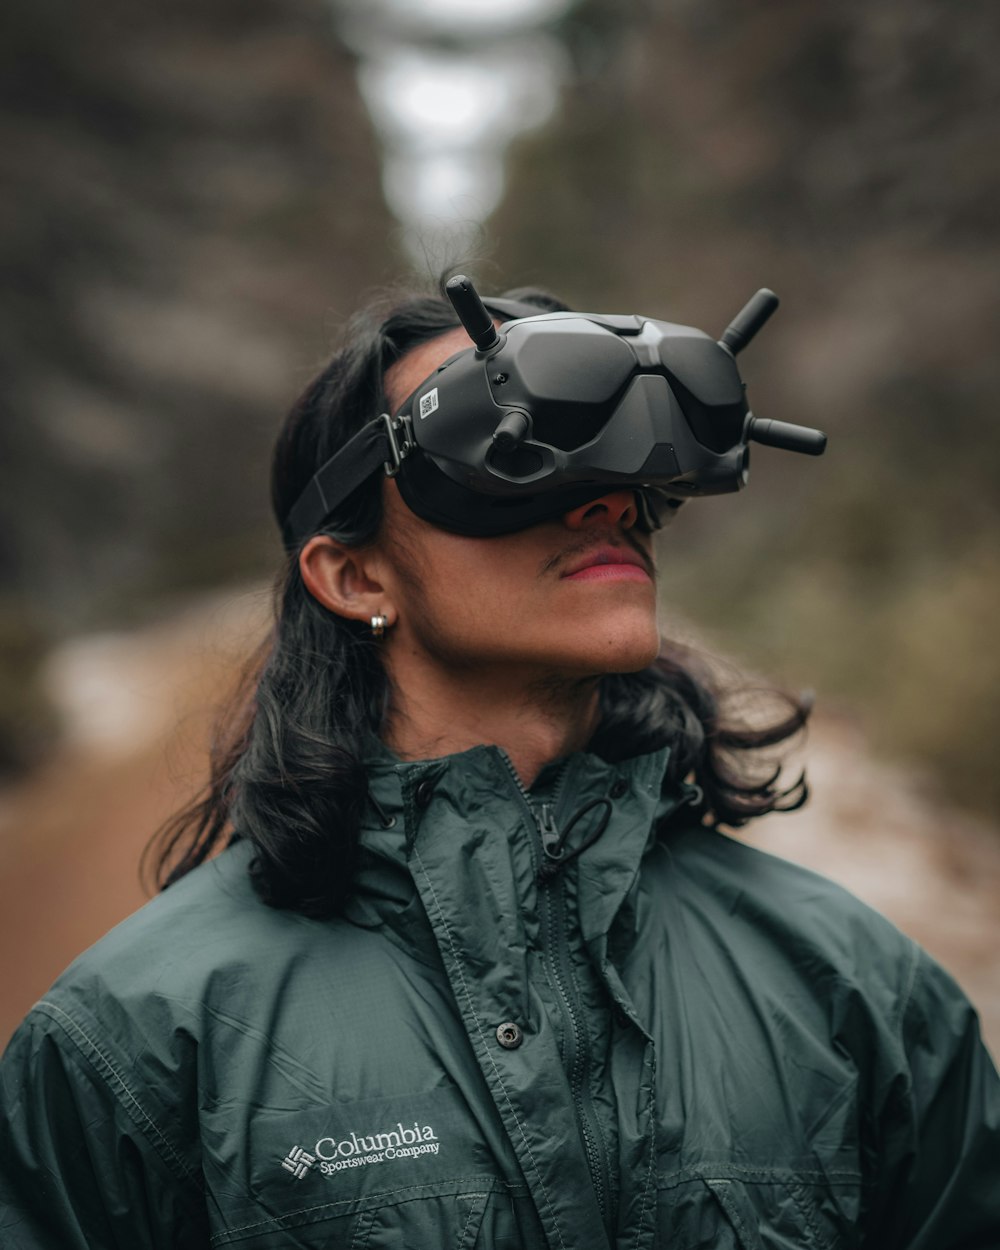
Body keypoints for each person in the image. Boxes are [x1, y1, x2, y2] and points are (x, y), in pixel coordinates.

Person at [0, 279, 997, 1249]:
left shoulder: (857, 988)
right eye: (505, 446)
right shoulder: (136, 1042)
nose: (608, 502)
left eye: (623, 467)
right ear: (354, 574)